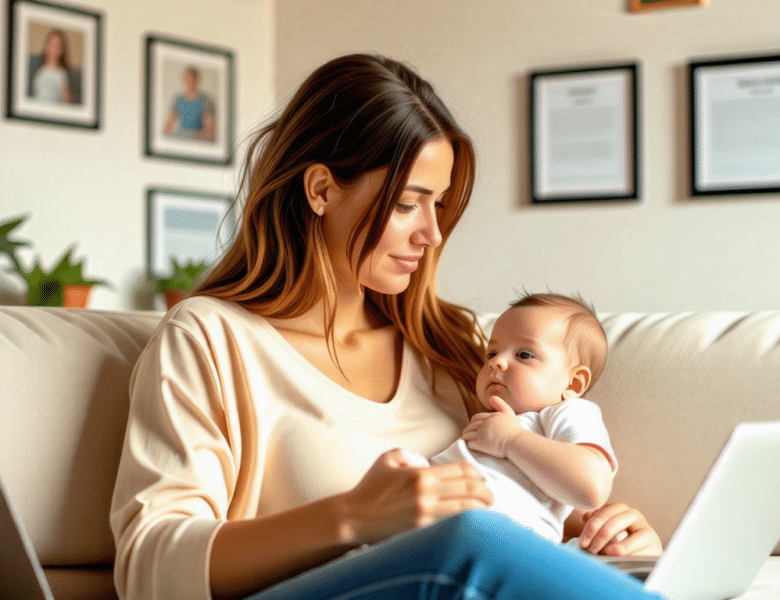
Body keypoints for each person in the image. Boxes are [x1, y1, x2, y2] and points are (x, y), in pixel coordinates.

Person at [110, 53, 664, 600]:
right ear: (322, 190)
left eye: (439, 205)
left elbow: (516, 500)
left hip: (461, 578)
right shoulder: (209, 338)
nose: (433, 234)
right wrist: (354, 516)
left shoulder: (448, 346)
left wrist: (599, 538)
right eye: (407, 205)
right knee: (467, 542)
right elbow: (150, 565)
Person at [404, 292, 617, 545]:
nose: (498, 363)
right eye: (491, 354)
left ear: (573, 382)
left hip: (503, 534)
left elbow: (591, 486)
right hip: (439, 522)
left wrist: (511, 439)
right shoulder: (491, 422)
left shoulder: (566, 411)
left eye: (524, 355)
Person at [163, 65, 215, 141]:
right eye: (187, 79)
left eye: (192, 80)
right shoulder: (178, 100)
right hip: (180, 137)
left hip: (197, 139)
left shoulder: (206, 101)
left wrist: (194, 138)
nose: (189, 82)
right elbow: (168, 125)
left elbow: (210, 131)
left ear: (197, 81)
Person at [30, 29, 74, 104]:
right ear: (46, 46)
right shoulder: (36, 68)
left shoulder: (62, 73)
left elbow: (67, 100)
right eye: (51, 44)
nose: (54, 49)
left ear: (62, 50)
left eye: (57, 46)